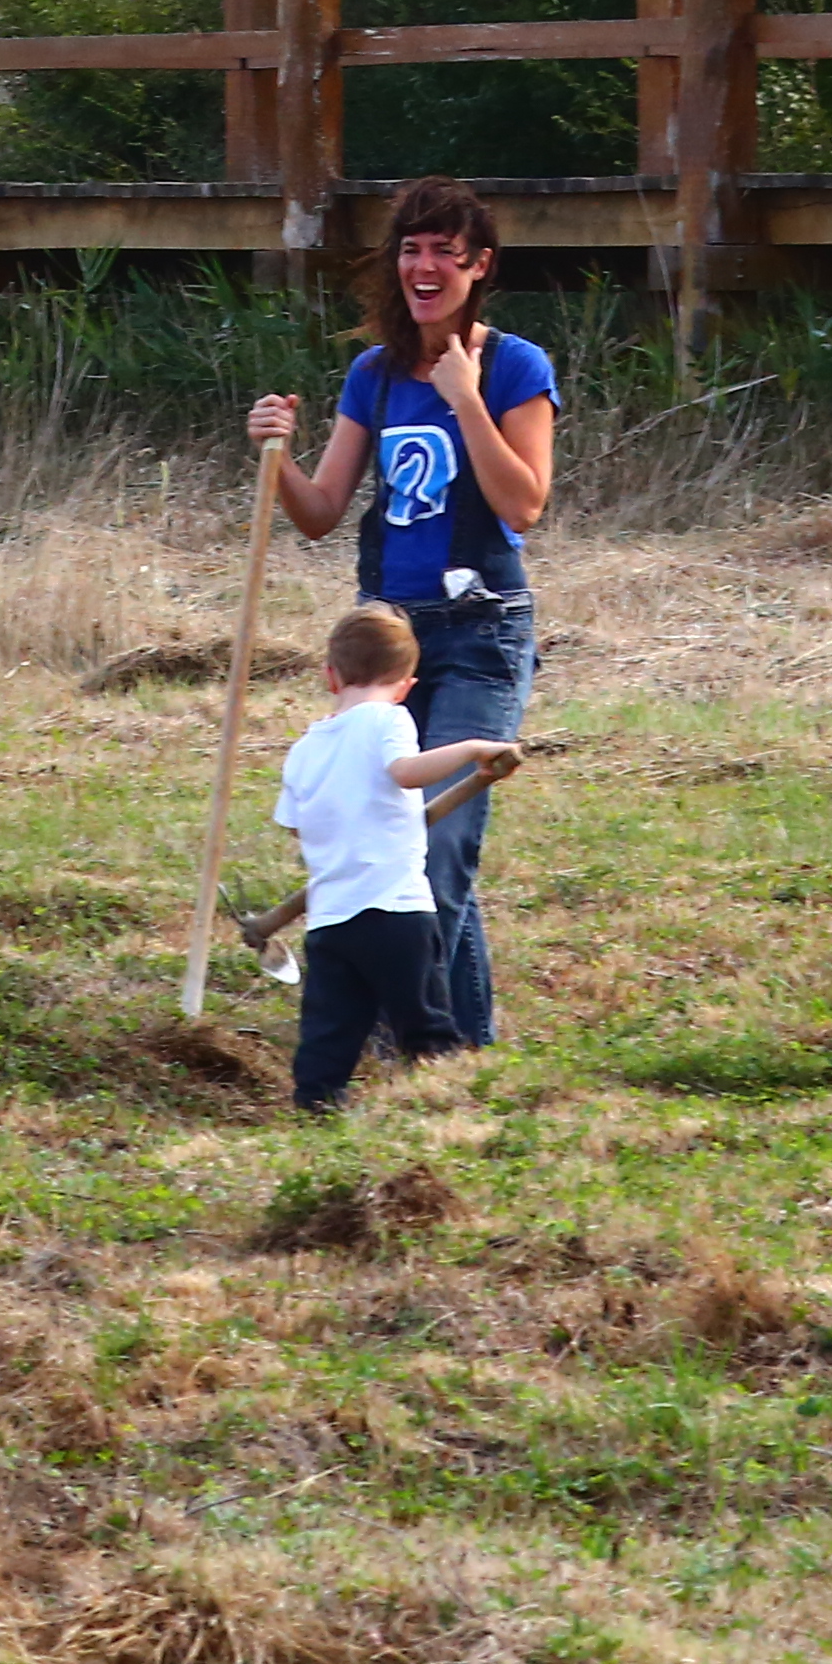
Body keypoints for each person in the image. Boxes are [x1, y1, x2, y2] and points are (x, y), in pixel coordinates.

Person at [240, 177, 556, 1048]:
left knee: (442, 842)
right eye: (410, 250)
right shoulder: (373, 374)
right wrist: (276, 454)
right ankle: (463, 1045)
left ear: (478, 266)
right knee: (405, 843)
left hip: (483, 627)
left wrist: (465, 399)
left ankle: (409, 1039)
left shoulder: (515, 366)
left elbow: (524, 505)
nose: (423, 267)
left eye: (443, 254)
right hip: (386, 642)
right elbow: (318, 513)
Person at [270, 604, 519, 1113]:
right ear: (407, 684)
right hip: (396, 911)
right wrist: (472, 749)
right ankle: (450, 1104)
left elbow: (295, 822)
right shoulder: (389, 719)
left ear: (330, 676)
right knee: (423, 1019)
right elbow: (408, 773)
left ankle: (317, 1104)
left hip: (332, 921)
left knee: (330, 1029)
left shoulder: (303, 749)